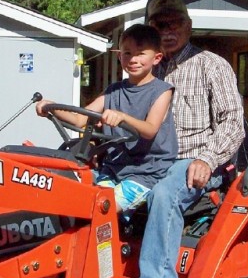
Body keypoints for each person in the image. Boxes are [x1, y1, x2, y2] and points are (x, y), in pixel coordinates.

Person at [131, 0, 245, 278]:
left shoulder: (211, 65)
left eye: (174, 24)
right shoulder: (148, 68)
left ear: (188, 27)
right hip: (152, 159)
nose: (167, 31)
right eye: (158, 25)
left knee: (165, 194)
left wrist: (206, 159)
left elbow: (233, 123)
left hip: (196, 161)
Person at [36, 24, 177, 217]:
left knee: (100, 209)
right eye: (127, 53)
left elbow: (150, 129)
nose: (133, 59)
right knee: (77, 203)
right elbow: (79, 119)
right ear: (119, 56)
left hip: (146, 173)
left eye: (140, 53)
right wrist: (52, 107)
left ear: (157, 58)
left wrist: (122, 117)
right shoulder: (113, 91)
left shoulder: (162, 91)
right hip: (113, 170)